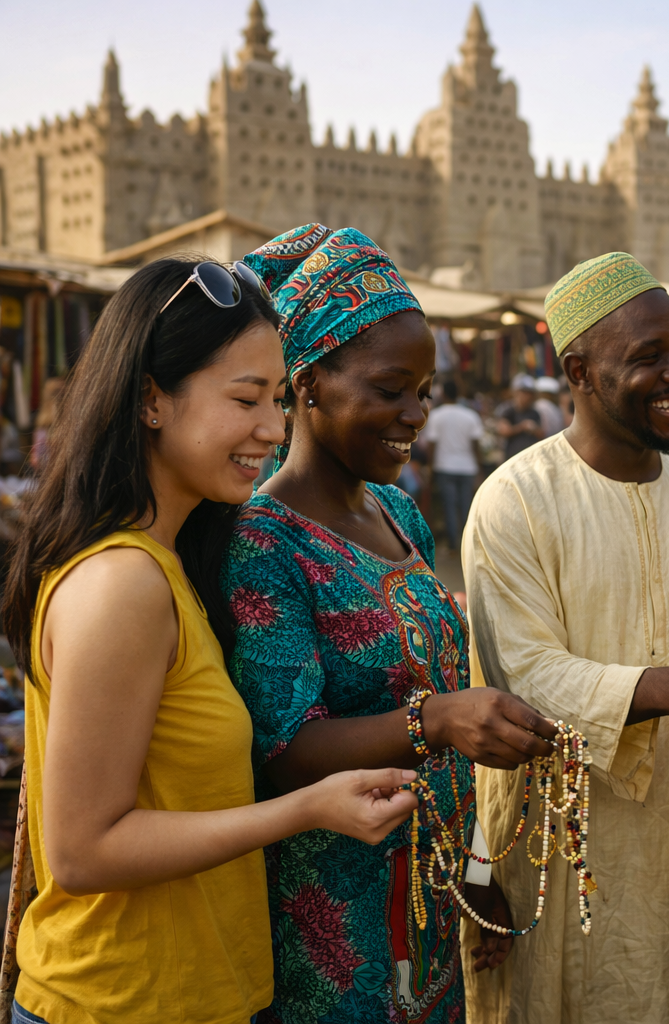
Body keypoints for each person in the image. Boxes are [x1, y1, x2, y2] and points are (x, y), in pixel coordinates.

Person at [0, 257, 418, 1024]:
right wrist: (306, 809)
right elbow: (84, 851)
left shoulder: (176, 562)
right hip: (119, 1002)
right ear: (151, 400)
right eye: (245, 398)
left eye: (278, 398)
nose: (274, 428)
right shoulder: (123, 584)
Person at [458, 252, 669, 1024]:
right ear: (579, 372)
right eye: (649, 357)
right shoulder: (514, 502)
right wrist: (668, 688)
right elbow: (524, 677)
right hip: (564, 858)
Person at [226, 225, 558, 1024]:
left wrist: (475, 869)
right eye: (389, 389)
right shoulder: (263, 544)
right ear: (308, 382)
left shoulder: (398, 512)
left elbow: (438, 699)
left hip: (433, 903)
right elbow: (285, 751)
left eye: (425, 391)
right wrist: (435, 719)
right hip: (337, 930)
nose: (415, 414)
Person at [419, 378, 483, 553]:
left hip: (444, 467)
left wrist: (430, 467)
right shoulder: (470, 415)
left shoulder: (436, 415)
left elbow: (432, 445)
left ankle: (453, 545)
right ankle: (468, 545)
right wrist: (479, 468)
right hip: (467, 467)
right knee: (466, 505)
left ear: (443, 394)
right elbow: (476, 445)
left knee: (449, 506)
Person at [497, 374, 544, 463]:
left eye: (530, 393)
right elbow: (504, 431)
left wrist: (535, 429)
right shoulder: (508, 411)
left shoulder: (534, 413)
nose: (528, 396)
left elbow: (542, 434)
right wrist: (522, 426)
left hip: (530, 458)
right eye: (525, 393)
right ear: (516, 393)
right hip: (513, 458)